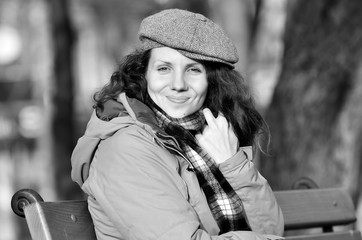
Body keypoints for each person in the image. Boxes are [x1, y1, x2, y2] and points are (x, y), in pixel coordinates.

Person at [71, 8, 284, 240]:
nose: (178, 84)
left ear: (212, 81)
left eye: (193, 70)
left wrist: (233, 164)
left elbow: (271, 230)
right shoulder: (125, 148)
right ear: (144, 74)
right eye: (164, 69)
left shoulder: (213, 136)